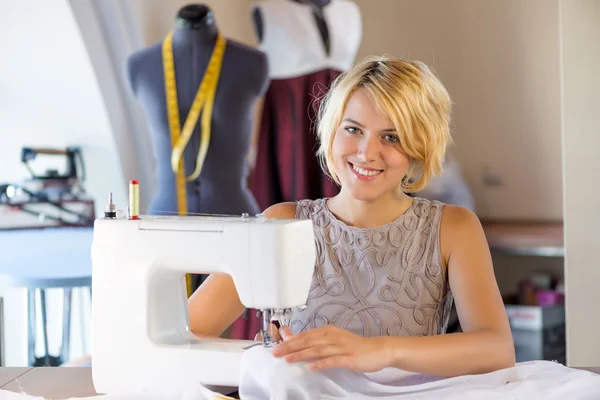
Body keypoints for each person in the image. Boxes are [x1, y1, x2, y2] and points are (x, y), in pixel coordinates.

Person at [188, 55, 515, 378]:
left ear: (419, 146)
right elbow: (189, 331)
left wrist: (381, 351)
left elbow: (496, 350)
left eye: (392, 137)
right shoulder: (282, 224)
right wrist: (261, 357)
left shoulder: (454, 228)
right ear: (332, 131)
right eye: (353, 129)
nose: (366, 153)